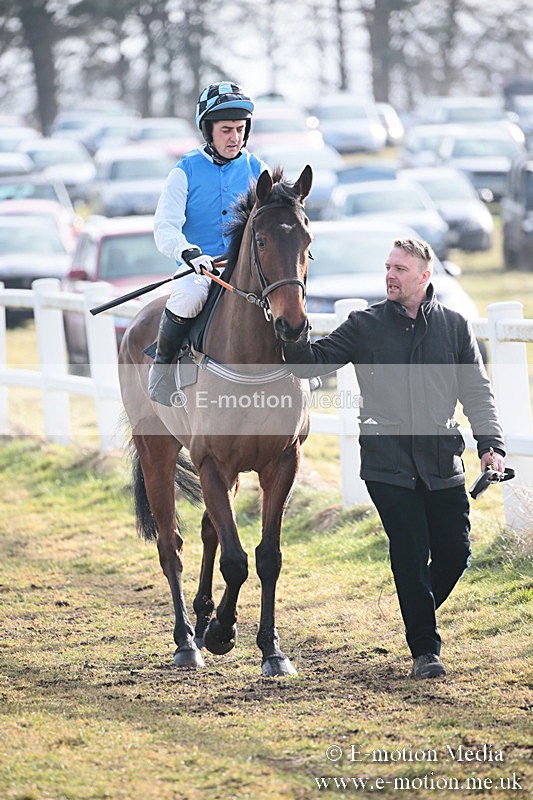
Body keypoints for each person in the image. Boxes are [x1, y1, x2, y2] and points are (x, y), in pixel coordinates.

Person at [283, 237, 506, 679]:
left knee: (455, 553)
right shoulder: (365, 325)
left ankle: (415, 606)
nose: (390, 275)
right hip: (386, 464)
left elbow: (478, 394)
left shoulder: (455, 327)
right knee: (409, 551)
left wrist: (490, 446)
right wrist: (292, 327)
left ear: (424, 277)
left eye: (401, 269)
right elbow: (312, 364)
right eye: (388, 267)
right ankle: (425, 650)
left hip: (442, 461)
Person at [149, 81, 268, 405]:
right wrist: (188, 253)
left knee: (284, 298)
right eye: (226, 129)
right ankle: (162, 371)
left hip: (246, 270)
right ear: (208, 130)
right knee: (188, 295)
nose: (235, 137)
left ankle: (302, 369)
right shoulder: (184, 171)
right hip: (199, 270)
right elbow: (165, 227)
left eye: (240, 129)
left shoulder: (258, 170)